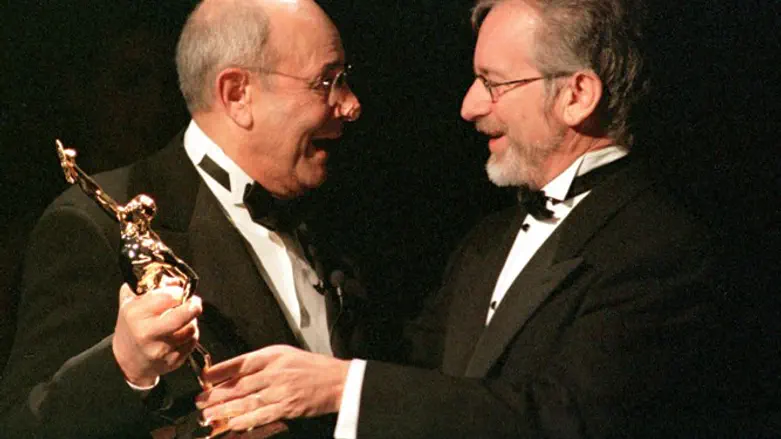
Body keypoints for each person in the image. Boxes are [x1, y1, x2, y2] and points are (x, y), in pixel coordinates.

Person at [192, 0, 744, 437]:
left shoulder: (658, 245)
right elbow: (416, 376)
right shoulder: (489, 241)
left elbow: (568, 420)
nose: (469, 106)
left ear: (577, 95)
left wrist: (345, 388)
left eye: (494, 83)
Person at [0, 0, 363, 437]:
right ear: (237, 94)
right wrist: (124, 368)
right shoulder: (95, 226)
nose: (351, 104)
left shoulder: (334, 214)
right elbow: (21, 426)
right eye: (328, 81)